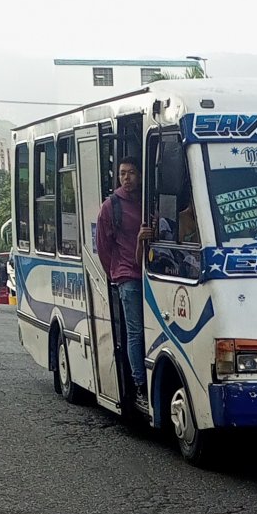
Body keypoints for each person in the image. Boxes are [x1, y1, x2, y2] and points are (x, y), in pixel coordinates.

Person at [96, 157, 153, 406]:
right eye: (122, 174)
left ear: (140, 175)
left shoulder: (147, 199)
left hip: (151, 273)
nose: (126, 178)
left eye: (130, 173)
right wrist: (116, 273)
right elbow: (103, 246)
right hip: (128, 277)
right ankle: (140, 384)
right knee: (135, 332)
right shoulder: (111, 206)